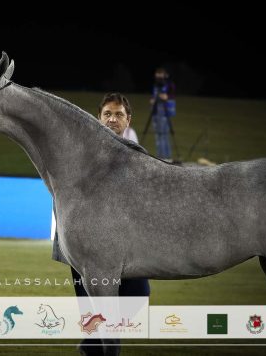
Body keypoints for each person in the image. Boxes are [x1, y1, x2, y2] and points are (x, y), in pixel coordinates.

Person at [51, 92, 150, 356]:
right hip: (87, 245)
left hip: (128, 246)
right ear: (98, 118)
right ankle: (97, 346)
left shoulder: (139, 156)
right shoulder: (80, 151)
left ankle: (93, 345)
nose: (112, 119)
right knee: (92, 305)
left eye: (118, 114)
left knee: (138, 295)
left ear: (128, 120)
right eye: (107, 114)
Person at [149, 67, 176, 161]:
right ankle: (161, 156)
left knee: (163, 135)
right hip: (155, 112)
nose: (159, 80)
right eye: (157, 77)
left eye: (160, 77)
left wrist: (167, 96)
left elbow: (172, 95)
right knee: (158, 136)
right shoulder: (155, 86)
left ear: (165, 76)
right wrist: (152, 99)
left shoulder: (169, 85)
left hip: (164, 113)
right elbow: (154, 96)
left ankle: (164, 157)